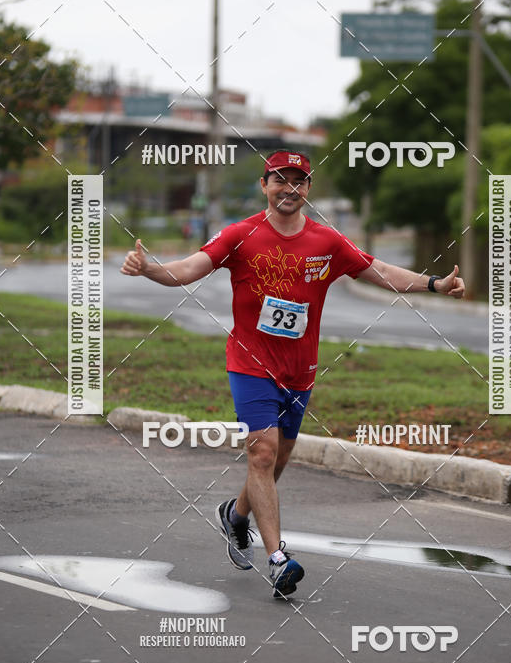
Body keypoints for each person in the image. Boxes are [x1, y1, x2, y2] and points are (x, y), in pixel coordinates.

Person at [120, 150, 465, 599]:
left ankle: (236, 515)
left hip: (299, 372)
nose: (290, 189)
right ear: (264, 185)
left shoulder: (327, 242)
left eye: (298, 182)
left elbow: (378, 271)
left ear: (308, 189)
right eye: (280, 180)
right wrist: (150, 269)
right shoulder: (241, 235)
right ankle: (278, 559)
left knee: (277, 460)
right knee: (261, 454)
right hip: (249, 364)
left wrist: (435, 283)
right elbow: (189, 269)